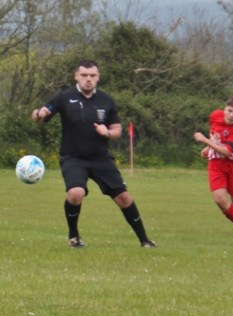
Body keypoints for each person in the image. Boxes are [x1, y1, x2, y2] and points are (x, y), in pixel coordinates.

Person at [31, 59, 156, 248]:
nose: (88, 79)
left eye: (92, 75)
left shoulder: (106, 100)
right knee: (76, 193)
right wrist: (38, 114)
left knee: (124, 198)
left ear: (98, 77)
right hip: (73, 157)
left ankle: (145, 240)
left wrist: (107, 133)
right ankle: (74, 237)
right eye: (84, 75)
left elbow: (117, 130)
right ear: (76, 76)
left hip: (100, 158)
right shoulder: (65, 98)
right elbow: (41, 113)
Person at [193, 96, 233, 235]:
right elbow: (216, 136)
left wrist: (206, 142)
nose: (231, 115)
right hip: (216, 163)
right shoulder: (215, 116)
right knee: (220, 199)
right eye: (229, 111)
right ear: (224, 109)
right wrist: (209, 149)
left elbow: (226, 152)